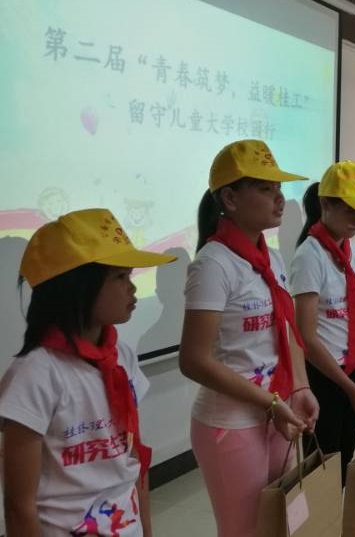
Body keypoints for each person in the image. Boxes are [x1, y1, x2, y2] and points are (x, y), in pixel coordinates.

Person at [0, 208, 175, 536]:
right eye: (119, 278)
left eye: (131, 276)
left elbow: (133, 458)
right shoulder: (35, 373)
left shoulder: (121, 356)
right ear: (77, 287)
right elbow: (19, 507)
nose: (132, 289)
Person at [178, 140, 319, 537]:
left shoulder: (270, 257)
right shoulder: (213, 264)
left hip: (277, 411)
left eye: (279, 189)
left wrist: (300, 387)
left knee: (277, 523)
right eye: (265, 188)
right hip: (232, 422)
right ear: (230, 198)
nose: (280, 199)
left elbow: (287, 329)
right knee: (243, 529)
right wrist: (271, 402)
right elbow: (193, 360)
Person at [290, 162, 355, 478]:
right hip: (327, 376)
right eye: (351, 211)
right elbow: (306, 337)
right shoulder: (309, 256)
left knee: (345, 460)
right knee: (323, 468)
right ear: (325, 204)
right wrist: (349, 388)